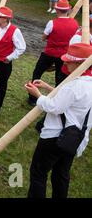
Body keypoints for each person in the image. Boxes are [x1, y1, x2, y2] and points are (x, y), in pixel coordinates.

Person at [25, 43, 92, 198]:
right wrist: (48, 87)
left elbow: (54, 107)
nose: (65, 62)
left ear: (80, 64)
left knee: (38, 172)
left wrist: (37, 95)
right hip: (75, 139)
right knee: (61, 174)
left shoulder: (74, 85)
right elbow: (72, 101)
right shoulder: (86, 84)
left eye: (69, 60)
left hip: (55, 137)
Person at [28, 0, 79, 106]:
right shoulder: (75, 23)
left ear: (57, 10)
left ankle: (32, 99)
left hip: (49, 53)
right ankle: (56, 99)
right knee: (59, 79)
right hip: (64, 56)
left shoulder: (52, 23)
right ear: (68, 10)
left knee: (37, 73)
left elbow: (43, 37)